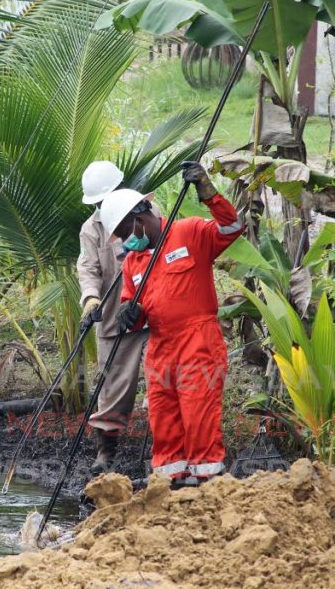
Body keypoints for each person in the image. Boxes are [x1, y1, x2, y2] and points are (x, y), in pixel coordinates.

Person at [98, 162, 243, 486]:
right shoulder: (133, 262)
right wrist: (128, 316)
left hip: (198, 341)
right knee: (164, 420)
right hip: (161, 348)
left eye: (124, 234)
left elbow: (232, 228)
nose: (124, 242)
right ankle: (171, 483)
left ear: (139, 219)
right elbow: (131, 307)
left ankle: (208, 483)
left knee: (198, 416)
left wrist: (208, 191)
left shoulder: (189, 232)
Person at [76, 161, 150, 474]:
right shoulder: (91, 229)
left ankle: (159, 452)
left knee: (162, 385)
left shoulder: (147, 213)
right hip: (113, 323)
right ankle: (105, 453)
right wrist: (91, 298)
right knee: (112, 391)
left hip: (153, 315)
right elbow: (88, 268)